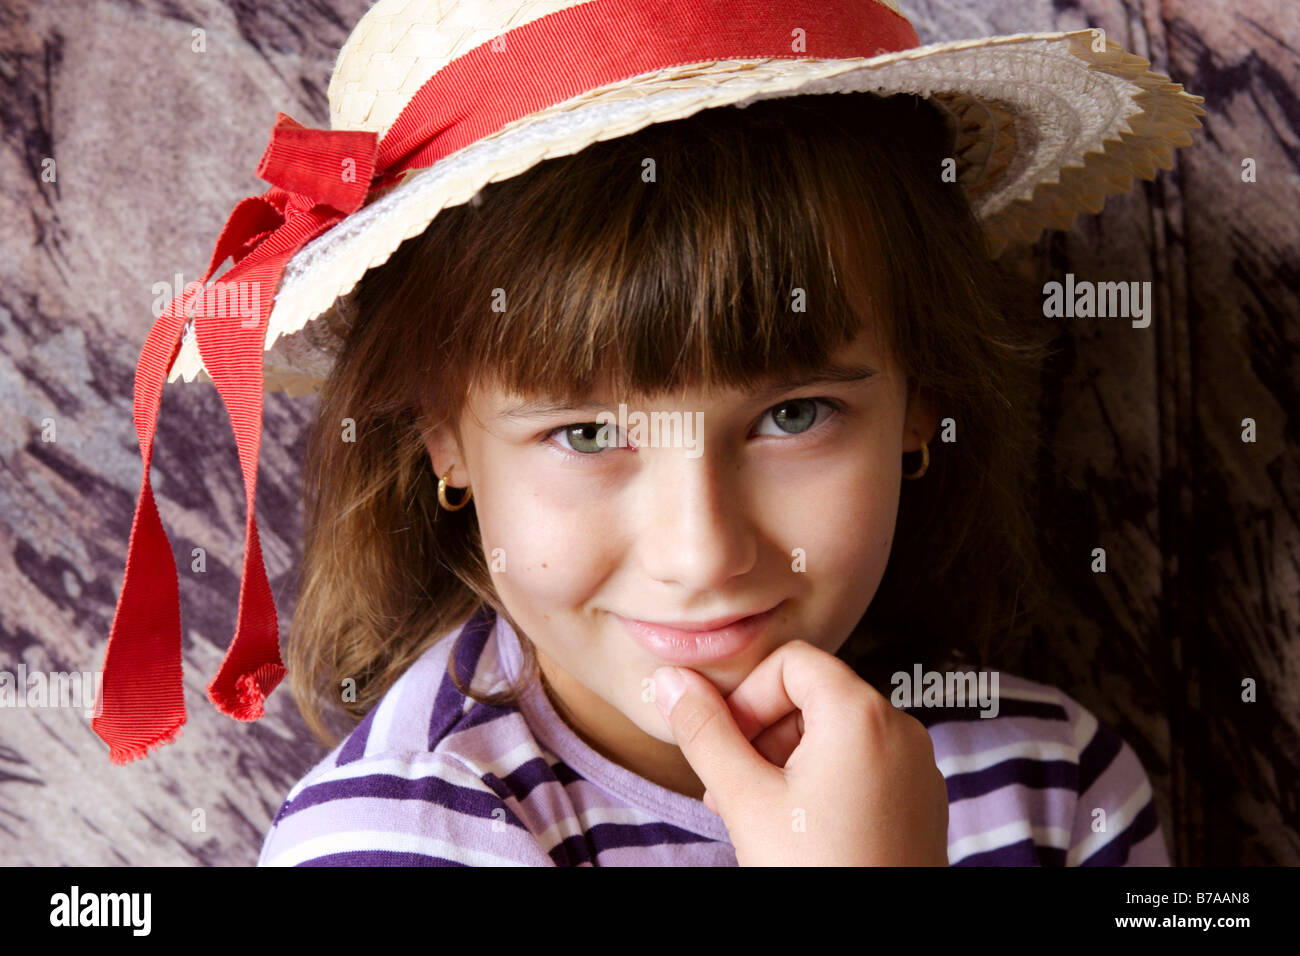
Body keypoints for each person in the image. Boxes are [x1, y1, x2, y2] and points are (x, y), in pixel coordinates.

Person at [99, 0, 1205, 866]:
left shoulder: (1058, 786)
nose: (701, 552)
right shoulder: (389, 844)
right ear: (443, 439)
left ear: (919, 405)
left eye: (793, 413)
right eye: (585, 434)